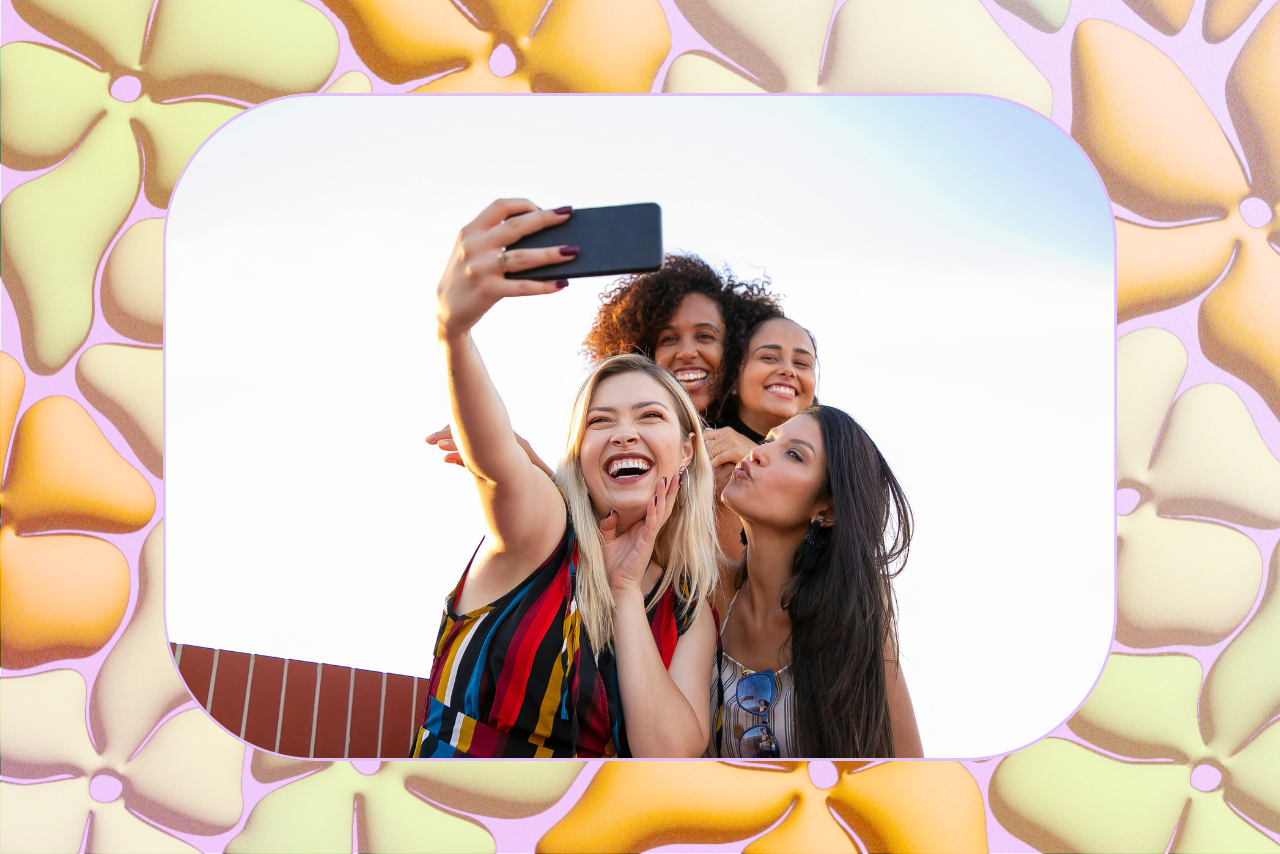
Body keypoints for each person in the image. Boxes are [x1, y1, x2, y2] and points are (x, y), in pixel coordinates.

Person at [415, 199, 719, 759]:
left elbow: (669, 759)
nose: (623, 433)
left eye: (649, 416)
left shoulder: (688, 610)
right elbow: (497, 461)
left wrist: (626, 591)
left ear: (685, 452)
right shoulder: (545, 531)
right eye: (600, 422)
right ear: (579, 456)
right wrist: (453, 331)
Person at [709, 405, 924, 758]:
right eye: (768, 440)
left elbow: (911, 777)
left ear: (827, 510)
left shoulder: (854, 619)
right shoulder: (707, 589)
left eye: (793, 454)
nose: (758, 453)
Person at [704, 316, 820, 560]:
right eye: (769, 358)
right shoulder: (713, 459)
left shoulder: (831, 459)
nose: (788, 370)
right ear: (735, 377)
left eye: (801, 363)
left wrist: (750, 451)